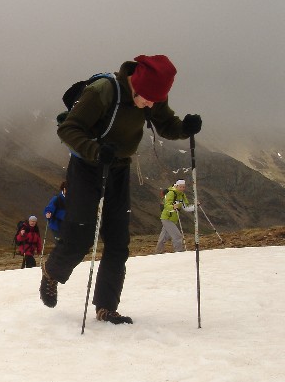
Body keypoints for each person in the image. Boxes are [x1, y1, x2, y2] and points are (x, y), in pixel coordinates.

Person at [39, 54, 202, 325]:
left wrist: (184, 128)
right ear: (135, 83)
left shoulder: (153, 94)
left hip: (118, 168)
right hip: (87, 166)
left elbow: (166, 124)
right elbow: (68, 129)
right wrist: (94, 150)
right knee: (80, 236)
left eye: (156, 100)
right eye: (147, 99)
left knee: (118, 241)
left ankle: (106, 307)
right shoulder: (102, 92)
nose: (151, 105)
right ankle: (51, 272)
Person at [156, 179, 195, 253]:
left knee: (164, 237)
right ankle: (179, 252)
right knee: (177, 236)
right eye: (180, 187)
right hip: (167, 217)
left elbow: (186, 208)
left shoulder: (182, 195)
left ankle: (158, 252)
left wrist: (195, 206)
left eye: (183, 187)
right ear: (176, 186)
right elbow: (167, 205)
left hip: (173, 219)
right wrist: (173, 207)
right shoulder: (171, 193)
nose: (182, 188)